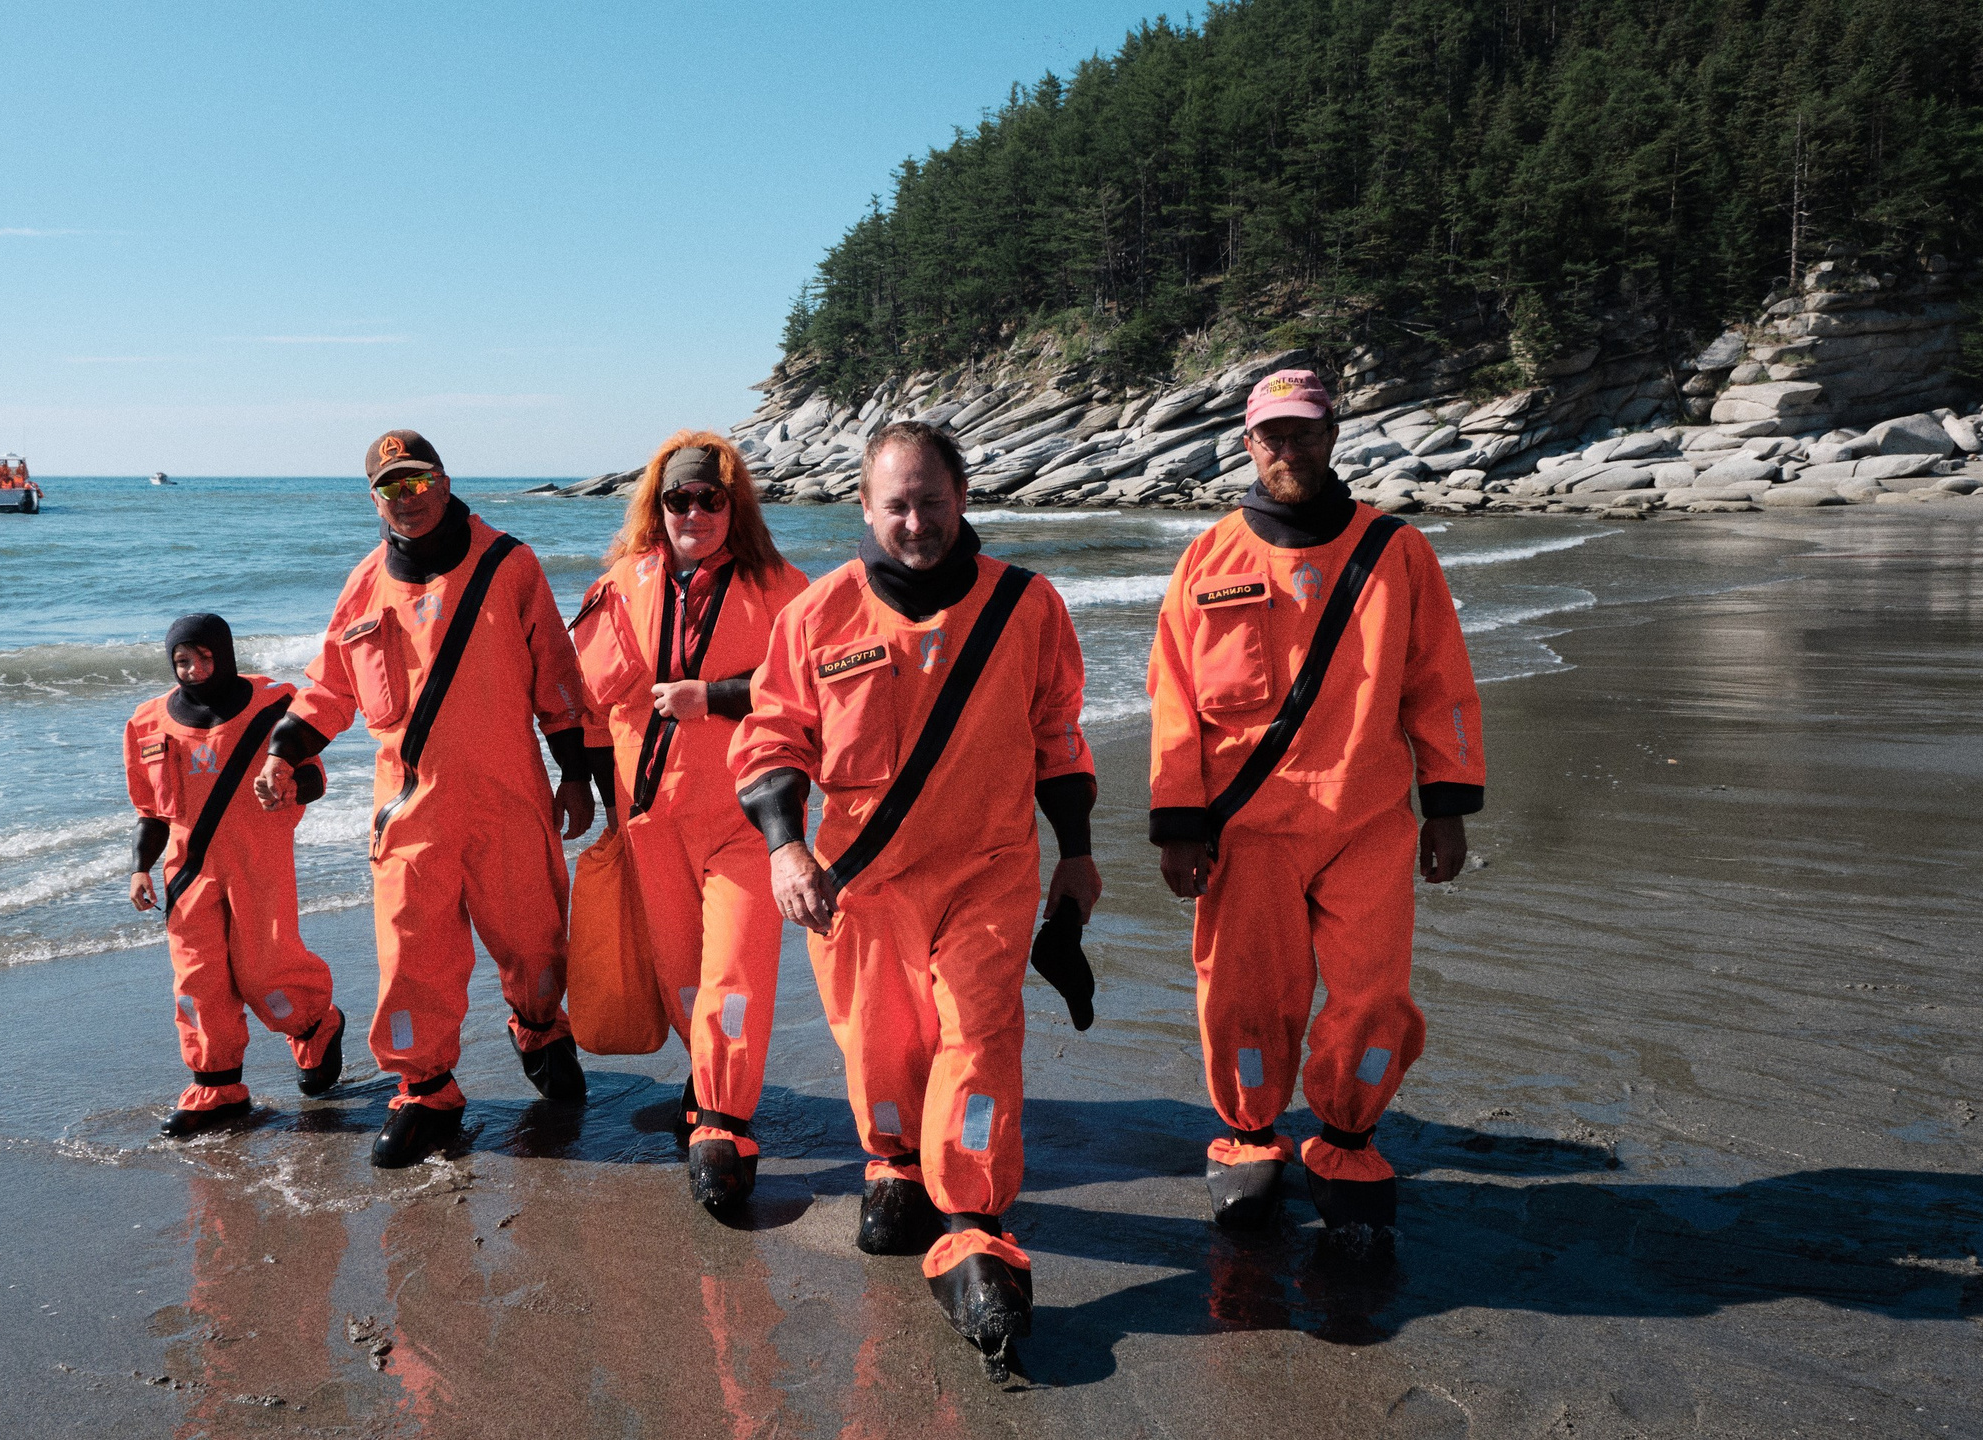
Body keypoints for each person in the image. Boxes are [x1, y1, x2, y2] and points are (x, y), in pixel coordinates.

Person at [728, 420, 1097, 1376]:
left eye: (932, 500)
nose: (916, 521)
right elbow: (772, 740)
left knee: (978, 1035)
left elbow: (1058, 738)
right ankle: (893, 1160)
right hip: (860, 883)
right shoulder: (816, 615)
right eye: (896, 503)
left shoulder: (1028, 606)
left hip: (989, 868)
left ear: (962, 498)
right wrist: (784, 850)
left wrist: (1078, 856)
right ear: (864, 507)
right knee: (878, 1039)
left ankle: (976, 1224)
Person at [1146, 369, 1486, 1242]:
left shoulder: (1398, 551)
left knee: (1375, 995)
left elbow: (1438, 679)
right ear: (1248, 442)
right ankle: (1250, 1139)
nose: (1287, 449)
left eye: (1303, 432)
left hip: (1366, 822)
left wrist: (1445, 803)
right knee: (1245, 996)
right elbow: (1174, 703)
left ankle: (1346, 1138)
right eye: (1272, 435)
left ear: (1333, 434)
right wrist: (1179, 822)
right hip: (1245, 833)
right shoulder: (1208, 557)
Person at [254, 430, 598, 1169]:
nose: (405, 500)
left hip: (511, 800)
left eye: (416, 483)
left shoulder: (510, 565)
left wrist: (575, 772)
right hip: (409, 814)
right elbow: (329, 689)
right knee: (412, 956)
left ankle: (538, 1026)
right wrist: (284, 751)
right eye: (389, 488)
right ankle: (425, 1087)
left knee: (536, 942)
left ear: (443, 481)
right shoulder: (364, 583)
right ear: (372, 498)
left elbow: (558, 677)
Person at [570, 432, 809, 1211]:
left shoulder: (783, 589)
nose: (695, 512)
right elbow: (593, 710)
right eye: (679, 498)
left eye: (711, 498)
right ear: (657, 505)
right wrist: (599, 800)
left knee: (735, 972)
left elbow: (817, 695)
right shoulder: (618, 586)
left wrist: (717, 696)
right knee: (682, 976)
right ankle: (709, 1081)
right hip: (650, 823)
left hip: (748, 821)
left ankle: (726, 1124)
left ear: (734, 506)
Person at [125, 613, 344, 1137]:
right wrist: (139, 870)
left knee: (263, 970)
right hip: (188, 874)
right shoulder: (147, 723)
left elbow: (312, 777)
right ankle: (216, 1084)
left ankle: (314, 1025)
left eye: (204, 657)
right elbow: (151, 814)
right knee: (198, 978)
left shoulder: (274, 706)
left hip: (258, 861)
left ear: (225, 655)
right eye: (182, 660)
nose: (194, 669)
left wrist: (289, 788)